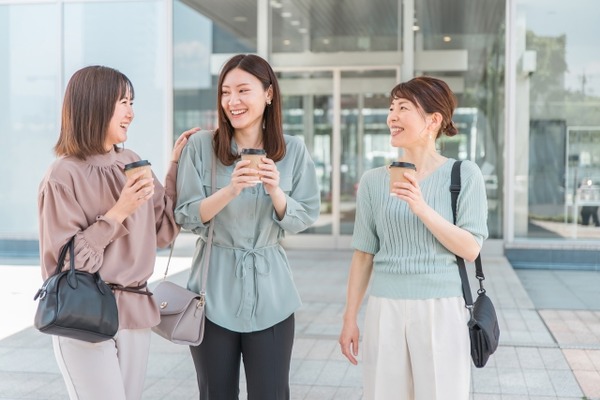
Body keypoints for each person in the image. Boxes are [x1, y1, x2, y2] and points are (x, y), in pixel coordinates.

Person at [38, 65, 198, 400]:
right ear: (95, 104)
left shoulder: (132, 161)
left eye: (132, 102)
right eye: (123, 102)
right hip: (84, 314)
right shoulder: (63, 175)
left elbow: (163, 229)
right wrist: (120, 211)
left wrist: (175, 166)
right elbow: (67, 266)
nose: (131, 112)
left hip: (134, 312)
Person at [174, 54, 320, 399]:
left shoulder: (293, 150)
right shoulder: (201, 147)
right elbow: (185, 214)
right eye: (226, 92)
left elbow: (306, 215)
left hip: (273, 296)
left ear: (269, 94)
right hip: (210, 296)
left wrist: (275, 191)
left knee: (271, 393)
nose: (232, 101)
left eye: (243, 90)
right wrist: (231, 189)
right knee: (215, 394)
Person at [338, 76, 489, 400]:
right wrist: (350, 317)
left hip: (442, 309)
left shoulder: (463, 175)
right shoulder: (374, 181)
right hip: (384, 307)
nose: (392, 116)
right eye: (391, 108)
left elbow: (470, 247)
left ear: (434, 120)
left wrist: (421, 208)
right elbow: (363, 254)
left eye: (403, 107)